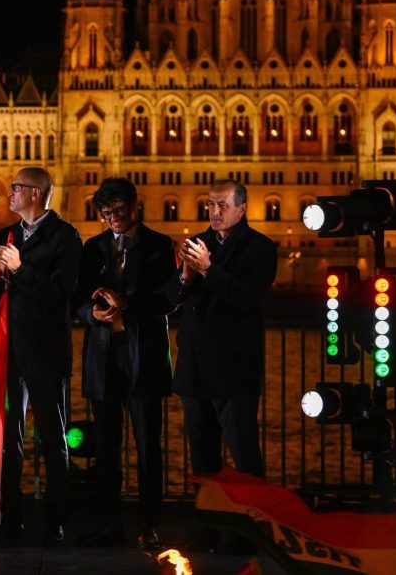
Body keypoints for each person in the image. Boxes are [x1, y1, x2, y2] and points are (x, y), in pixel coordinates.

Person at [164, 179, 276, 555]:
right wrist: (185, 276)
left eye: (222, 205)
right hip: (195, 366)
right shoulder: (198, 242)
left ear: (242, 208)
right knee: (203, 456)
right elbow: (171, 297)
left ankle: (251, 531)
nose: (214, 211)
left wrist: (209, 269)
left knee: (243, 455)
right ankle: (208, 528)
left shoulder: (260, 248)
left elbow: (247, 298)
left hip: (233, 368)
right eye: (210, 205)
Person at [0, 167, 81, 545]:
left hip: (46, 351)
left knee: (53, 438)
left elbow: (60, 295)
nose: (9, 193)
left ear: (36, 193)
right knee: (9, 439)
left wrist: (19, 269)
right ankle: (11, 519)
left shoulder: (65, 236)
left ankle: (57, 520)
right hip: (11, 348)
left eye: (15, 188)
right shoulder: (7, 235)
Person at [73, 178, 173, 551]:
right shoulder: (93, 247)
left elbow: (167, 299)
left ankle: (149, 525)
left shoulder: (160, 246)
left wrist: (126, 304)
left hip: (142, 355)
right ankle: (108, 525)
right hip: (104, 355)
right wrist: (92, 312)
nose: (112, 218)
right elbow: (78, 298)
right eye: (105, 212)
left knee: (148, 447)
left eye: (117, 210)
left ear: (134, 207)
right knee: (106, 448)